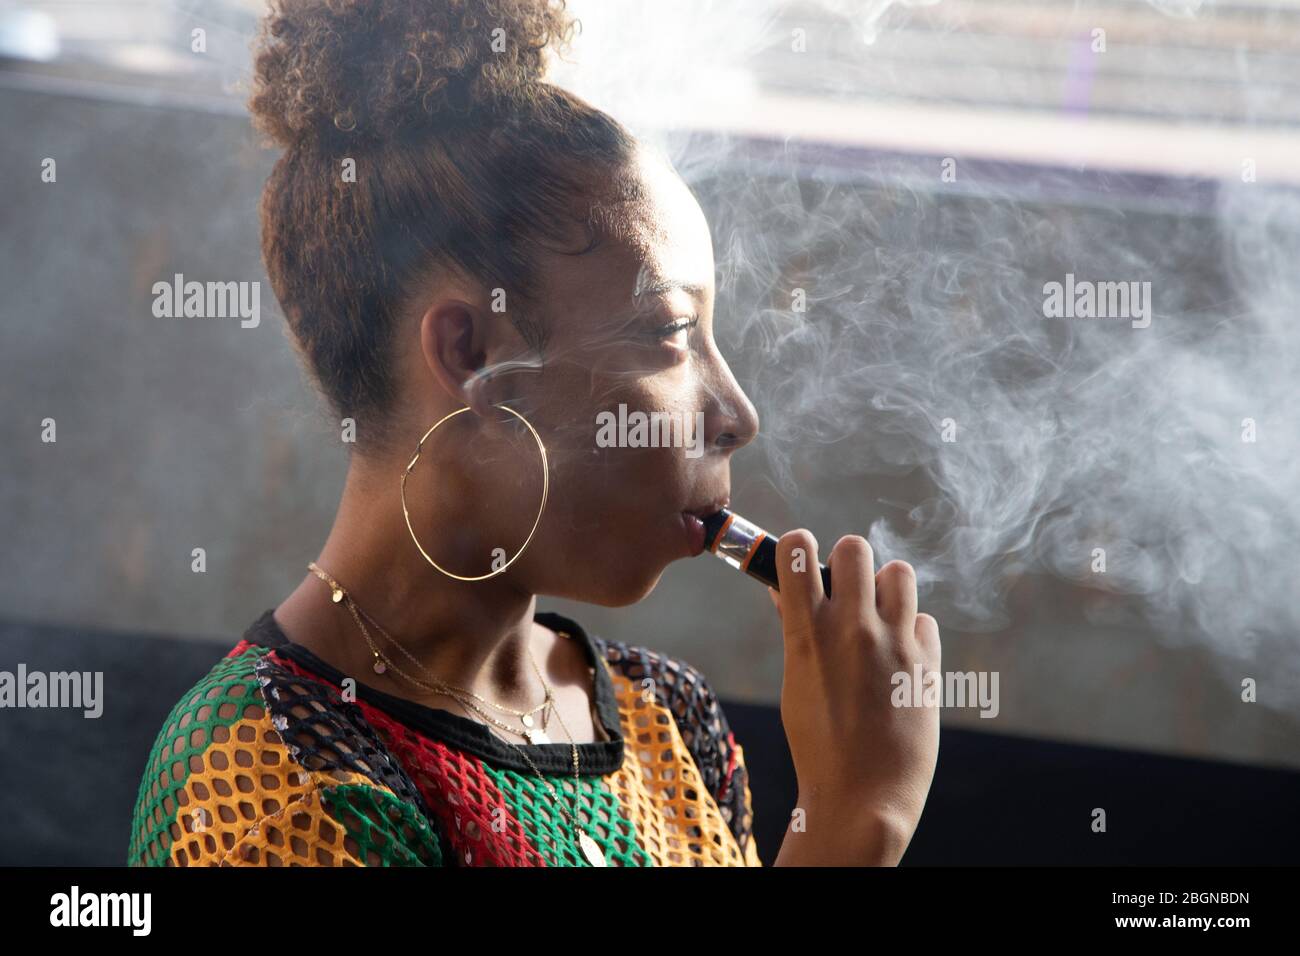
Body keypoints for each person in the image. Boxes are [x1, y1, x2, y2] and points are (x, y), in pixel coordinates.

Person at [127, 0, 941, 867]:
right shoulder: (276, 777)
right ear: (472, 354)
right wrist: (856, 820)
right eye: (672, 332)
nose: (738, 416)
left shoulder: (668, 719)